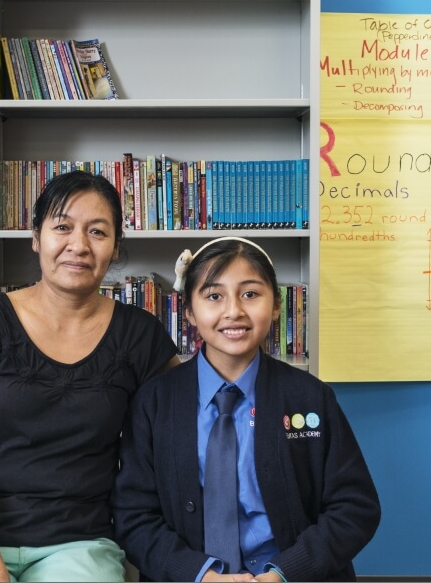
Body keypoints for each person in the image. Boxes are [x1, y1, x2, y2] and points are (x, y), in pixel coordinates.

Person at [0, 170, 181, 582]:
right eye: (62, 227)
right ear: (36, 237)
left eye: (97, 232)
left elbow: (182, 432)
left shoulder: (140, 335)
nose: (79, 245)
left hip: (78, 541)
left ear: (114, 248)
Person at [113, 237, 381, 582]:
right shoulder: (153, 402)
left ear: (275, 306)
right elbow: (133, 516)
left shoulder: (311, 398)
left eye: (250, 294)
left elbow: (355, 508)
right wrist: (200, 575)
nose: (233, 311)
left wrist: (284, 573)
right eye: (214, 296)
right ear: (190, 312)